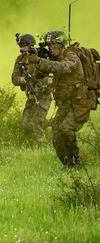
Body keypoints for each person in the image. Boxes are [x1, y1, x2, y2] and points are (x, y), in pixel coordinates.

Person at [27, 31, 91, 167]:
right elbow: (38, 76)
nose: (50, 47)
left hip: (79, 102)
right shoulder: (53, 59)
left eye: (53, 44)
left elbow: (62, 67)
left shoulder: (71, 56)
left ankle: (76, 162)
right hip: (65, 103)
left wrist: (40, 61)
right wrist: (38, 60)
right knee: (56, 132)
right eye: (49, 44)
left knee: (66, 129)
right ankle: (67, 164)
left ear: (61, 44)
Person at [10, 33, 52, 142]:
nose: (22, 48)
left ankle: (43, 146)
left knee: (36, 123)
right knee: (25, 123)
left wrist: (45, 81)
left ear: (31, 45)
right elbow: (14, 78)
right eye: (21, 46)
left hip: (43, 95)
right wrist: (22, 79)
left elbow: (52, 73)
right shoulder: (20, 60)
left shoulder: (41, 57)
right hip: (31, 96)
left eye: (25, 45)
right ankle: (50, 125)